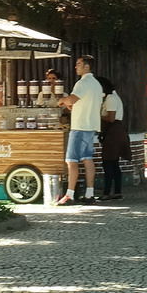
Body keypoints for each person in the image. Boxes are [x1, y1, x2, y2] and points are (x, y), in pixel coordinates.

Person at [59, 55, 104, 203]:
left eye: (78, 64)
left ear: (86, 66)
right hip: (91, 126)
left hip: (79, 126)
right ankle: (89, 193)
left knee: (71, 161)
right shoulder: (97, 84)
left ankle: (70, 194)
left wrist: (62, 100)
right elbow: (82, 103)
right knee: (87, 159)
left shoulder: (82, 83)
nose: (76, 66)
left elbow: (71, 99)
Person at [96, 75, 130, 202]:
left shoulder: (110, 99)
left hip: (113, 132)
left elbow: (110, 118)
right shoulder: (113, 97)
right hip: (115, 131)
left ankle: (107, 192)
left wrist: (97, 115)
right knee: (113, 163)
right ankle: (116, 191)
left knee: (108, 163)